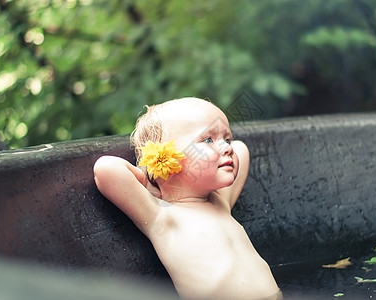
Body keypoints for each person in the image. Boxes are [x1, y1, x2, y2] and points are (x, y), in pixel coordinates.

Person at [93, 98, 282, 300]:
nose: (227, 147)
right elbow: (106, 169)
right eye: (208, 139)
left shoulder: (220, 202)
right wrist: (153, 180)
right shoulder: (163, 216)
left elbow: (241, 149)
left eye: (226, 139)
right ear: (166, 156)